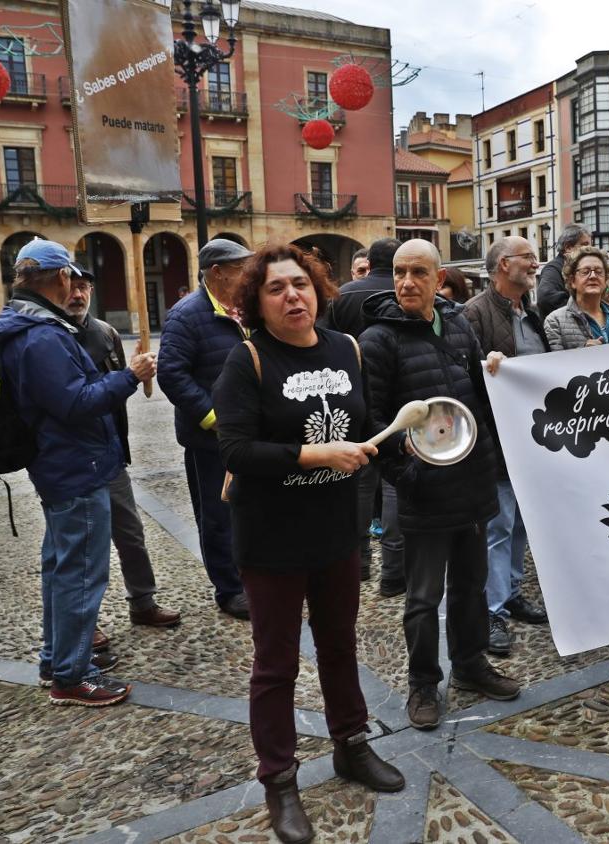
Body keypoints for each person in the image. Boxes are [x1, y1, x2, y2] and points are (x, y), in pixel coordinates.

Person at [214, 243, 403, 843]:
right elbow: (235, 449)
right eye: (276, 288)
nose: (292, 295)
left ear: (318, 290)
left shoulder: (345, 349)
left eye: (299, 284)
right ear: (257, 302)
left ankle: (351, 745)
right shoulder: (247, 361)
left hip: (334, 528)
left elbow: (364, 421)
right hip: (270, 536)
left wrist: (406, 435)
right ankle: (280, 781)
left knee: (340, 646)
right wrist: (316, 454)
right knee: (275, 666)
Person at [360, 239, 522, 730]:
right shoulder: (378, 340)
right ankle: (423, 683)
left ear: (438, 278)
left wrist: (495, 366)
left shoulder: (456, 324)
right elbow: (373, 421)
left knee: (471, 586)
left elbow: (479, 389)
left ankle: (471, 664)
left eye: (418, 273)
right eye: (400, 273)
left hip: (471, 484)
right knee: (424, 597)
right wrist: (406, 476)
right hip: (424, 491)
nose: (406, 282)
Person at [0, 239, 153, 706]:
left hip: (64, 465)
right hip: (75, 467)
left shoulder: (27, 326)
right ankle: (71, 675)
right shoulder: (42, 336)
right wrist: (130, 375)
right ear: (61, 278)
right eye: (72, 278)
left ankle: (58, 659)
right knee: (80, 575)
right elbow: (75, 403)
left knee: (61, 569)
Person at [65, 265, 181, 629]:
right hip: (72, 460)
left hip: (110, 453)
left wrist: (132, 372)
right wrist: (129, 376)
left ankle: (143, 601)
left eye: (84, 287)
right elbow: (78, 399)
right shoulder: (52, 337)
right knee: (83, 546)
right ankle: (86, 623)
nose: (78, 295)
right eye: (71, 287)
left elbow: (114, 397)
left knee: (130, 533)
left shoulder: (106, 334)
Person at [463, 236, 550, 657]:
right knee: (498, 526)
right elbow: (463, 373)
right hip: (496, 440)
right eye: (527, 258)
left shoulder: (530, 314)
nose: (535, 264)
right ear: (502, 266)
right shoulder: (475, 314)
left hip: (531, 438)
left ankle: (511, 592)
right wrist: (488, 369)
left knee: (519, 523)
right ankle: (491, 610)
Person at [157, 238, 253, 619]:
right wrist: (214, 417)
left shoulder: (245, 309)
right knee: (217, 515)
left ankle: (251, 574)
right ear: (217, 273)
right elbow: (171, 375)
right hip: (210, 438)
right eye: (240, 269)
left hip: (249, 434)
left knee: (248, 509)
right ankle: (229, 589)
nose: (248, 276)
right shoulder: (186, 314)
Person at [322, 237, 405, 588]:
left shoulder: (344, 294)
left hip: (352, 396)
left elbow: (324, 341)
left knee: (360, 480)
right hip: (399, 396)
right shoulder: (407, 290)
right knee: (393, 485)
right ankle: (393, 570)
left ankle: (359, 564)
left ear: (369, 263)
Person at [545, 246, 609, 351]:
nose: (593, 276)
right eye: (585, 271)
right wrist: (582, 354)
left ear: (605, 280)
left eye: (599, 271)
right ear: (572, 281)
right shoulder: (555, 322)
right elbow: (554, 364)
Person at [536, 224, 591, 319]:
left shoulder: (575, 267)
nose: (590, 249)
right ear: (568, 247)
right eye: (585, 245)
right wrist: (582, 310)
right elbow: (546, 297)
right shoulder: (553, 269)